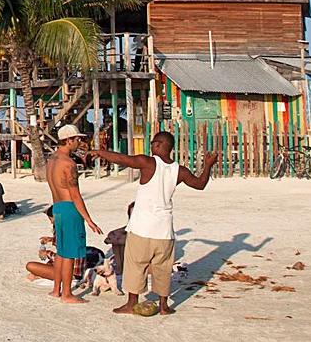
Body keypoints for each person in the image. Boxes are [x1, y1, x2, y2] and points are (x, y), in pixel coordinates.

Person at [89, 131, 219, 316]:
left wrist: (100, 153)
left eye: (152, 143)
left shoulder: (148, 162)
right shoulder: (179, 170)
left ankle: (131, 303)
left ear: (158, 144)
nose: (150, 146)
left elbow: (123, 159)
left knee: (135, 265)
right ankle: (164, 306)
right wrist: (208, 166)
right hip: (164, 230)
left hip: (142, 227)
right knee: (163, 268)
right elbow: (200, 184)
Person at [45, 125, 103, 304]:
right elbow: (75, 195)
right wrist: (89, 219)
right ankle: (67, 294)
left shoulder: (51, 160)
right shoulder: (68, 164)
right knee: (69, 253)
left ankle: (57, 289)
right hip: (70, 208)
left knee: (61, 251)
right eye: (77, 139)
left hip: (57, 207)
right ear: (69, 140)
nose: (79, 142)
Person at [104, 202, 135, 290]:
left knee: (122, 241)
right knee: (117, 242)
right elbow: (111, 236)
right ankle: (120, 269)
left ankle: (122, 270)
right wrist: (115, 236)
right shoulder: (130, 226)